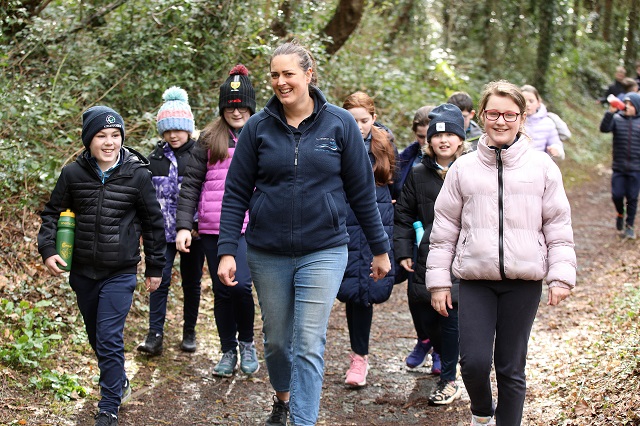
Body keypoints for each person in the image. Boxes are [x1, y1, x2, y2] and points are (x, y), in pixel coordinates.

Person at [216, 41, 391, 426]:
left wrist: (380, 249)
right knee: (278, 342)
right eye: (275, 75)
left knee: (309, 343)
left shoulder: (340, 124)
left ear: (309, 76)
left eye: (288, 74)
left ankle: (303, 421)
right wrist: (228, 249)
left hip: (324, 249)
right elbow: (236, 193)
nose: (281, 82)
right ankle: (283, 399)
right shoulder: (258, 127)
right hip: (267, 251)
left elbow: (363, 192)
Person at [426, 81, 576, 426]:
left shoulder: (542, 166)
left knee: (511, 367)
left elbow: (557, 225)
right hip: (475, 279)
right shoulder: (463, 168)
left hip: (523, 281)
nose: (501, 121)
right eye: (493, 113)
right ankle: (481, 415)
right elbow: (444, 231)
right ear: (481, 116)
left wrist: (561, 275)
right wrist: (438, 283)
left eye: (510, 114)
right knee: (474, 362)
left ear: (522, 118)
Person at [37, 106, 166, 426]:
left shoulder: (137, 175)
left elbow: (153, 224)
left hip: (120, 271)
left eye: (115, 135)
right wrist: (48, 248)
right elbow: (52, 213)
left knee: (108, 335)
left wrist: (155, 267)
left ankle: (109, 404)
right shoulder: (72, 174)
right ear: (88, 140)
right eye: (101, 136)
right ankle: (118, 380)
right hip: (82, 271)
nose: (109, 142)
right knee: (96, 335)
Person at [175, 64, 260, 377]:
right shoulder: (210, 138)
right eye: (229, 106)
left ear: (250, 106)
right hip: (212, 227)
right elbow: (191, 185)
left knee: (241, 286)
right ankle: (228, 350)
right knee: (223, 291)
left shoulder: (262, 133)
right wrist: (184, 225)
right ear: (223, 107)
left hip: (248, 227)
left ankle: (248, 342)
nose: (235, 112)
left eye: (241, 106)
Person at [395, 103, 466, 406]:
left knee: (450, 317)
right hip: (424, 256)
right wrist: (402, 250)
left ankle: (449, 379)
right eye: (438, 135)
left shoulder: (472, 170)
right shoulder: (418, 173)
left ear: (461, 140)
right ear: (429, 140)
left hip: (462, 260)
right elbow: (402, 214)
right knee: (426, 318)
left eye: (451, 134)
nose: (444, 140)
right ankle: (438, 349)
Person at [136, 87, 206, 356]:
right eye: (167, 130)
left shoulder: (200, 155)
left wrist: (197, 223)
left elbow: (205, 190)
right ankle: (154, 334)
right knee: (159, 280)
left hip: (194, 230)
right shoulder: (154, 158)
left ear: (188, 128)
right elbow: (145, 195)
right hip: (160, 232)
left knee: (191, 281)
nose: (173, 135)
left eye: (178, 129)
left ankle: (189, 331)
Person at [338, 91, 398, 388]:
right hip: (343, 222)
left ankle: (359, 358)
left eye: (364, 120)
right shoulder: (333, 142)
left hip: (376, 224)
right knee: (348, 289)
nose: (359, 125)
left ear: (374, 119)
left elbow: (398, 186)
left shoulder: (384, 144)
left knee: (364, 292)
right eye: (352, 120)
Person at [395, 105, 442, 374]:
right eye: (422, 137)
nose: (426, 142)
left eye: (430, 136)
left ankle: (439, 349)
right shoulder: (406, 159)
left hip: (441, 240)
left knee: (440, 297)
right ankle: (423, 340)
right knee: (416, 296)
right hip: (414, 239)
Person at [599, 92, 640, 239]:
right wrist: (610, 112)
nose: (627, 106)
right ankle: (620, 213)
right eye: (626, 103)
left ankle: (629, 226)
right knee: (617, 195)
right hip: (619, 166)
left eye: (631, 104)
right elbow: (604, 128)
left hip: (636, 168)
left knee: (633, 197)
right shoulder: (617, 119)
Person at [521, 84, 565, 160]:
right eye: (524, 101)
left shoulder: (548, 123)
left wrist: (556, 150)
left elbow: (555, 143)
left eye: (531, 101)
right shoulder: (512, 120)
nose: (527, 104)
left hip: (539, 166)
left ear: (538, 103)